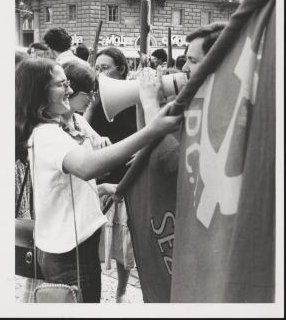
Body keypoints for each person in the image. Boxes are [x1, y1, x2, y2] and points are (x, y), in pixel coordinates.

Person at [15, 57, 183, 303]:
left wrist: (101, 188)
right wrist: (151, 130)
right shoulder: (48, 135)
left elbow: (63, 185)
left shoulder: (47, 132)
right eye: (62, 85)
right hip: (71, 257)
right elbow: (87, 167)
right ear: (40, 93)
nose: (70, 91)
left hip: (66, 252)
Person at [84, 46, 138, 302]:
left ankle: (121, 291)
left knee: (124, 240)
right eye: (97, 67)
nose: (99, 73)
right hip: (100, 178)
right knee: (96, 238)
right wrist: (92, 107)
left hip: (125, 178)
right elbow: (82, 133)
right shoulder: (92, 102)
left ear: (122, 69)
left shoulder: (133, 99)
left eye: (105, 68)